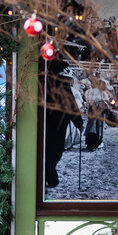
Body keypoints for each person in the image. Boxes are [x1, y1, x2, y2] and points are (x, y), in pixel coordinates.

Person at [44, 60, 83, 189]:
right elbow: (71, 104)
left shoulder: (42, 81)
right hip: (59, 121)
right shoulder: (62, 83)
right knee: (56, 149)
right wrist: (78, 121)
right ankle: (50, 175)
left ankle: (48, 175)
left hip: (47, 120)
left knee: (48, 149)